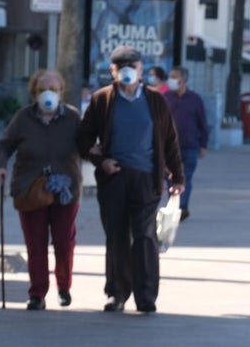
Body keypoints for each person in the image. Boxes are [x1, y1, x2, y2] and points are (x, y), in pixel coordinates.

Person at [78, 44, 184, 314]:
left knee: (144, 236)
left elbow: (170, 140)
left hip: (147, 180)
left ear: (141, 70)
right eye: (121, 68)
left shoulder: (155, 101)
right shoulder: (102, 100)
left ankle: (146, 296)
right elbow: (83, 139)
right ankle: (117, 293)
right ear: (113, 71)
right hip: (114, 179)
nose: (128, 72)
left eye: (133, 67)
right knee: (116, 237)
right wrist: (102, 161)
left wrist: (177, 176)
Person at [0, 69, 82, 310]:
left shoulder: (72, 118)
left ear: (62, 92)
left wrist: (103, 159)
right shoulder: (23, 118)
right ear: (34, 93)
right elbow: (4, 145)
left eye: (54, 89)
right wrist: (0, 166)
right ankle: (37, 293)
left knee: (64, 241)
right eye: (43, 90)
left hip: (66, 188)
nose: (48, 94)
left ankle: (64, 286)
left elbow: (86, 145)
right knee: (36, 242)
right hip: (30, 187)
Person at [165, 66, 210, 221]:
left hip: (189, 145)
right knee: (169, 177)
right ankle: (173, 203)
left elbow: (202, 123)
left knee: (186, 177)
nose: (170, 79)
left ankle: (182, 207)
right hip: (168, 147)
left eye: (174, 76)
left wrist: (203, 144)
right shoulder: (166, 98)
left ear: (183, 80)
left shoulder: (195, 100)